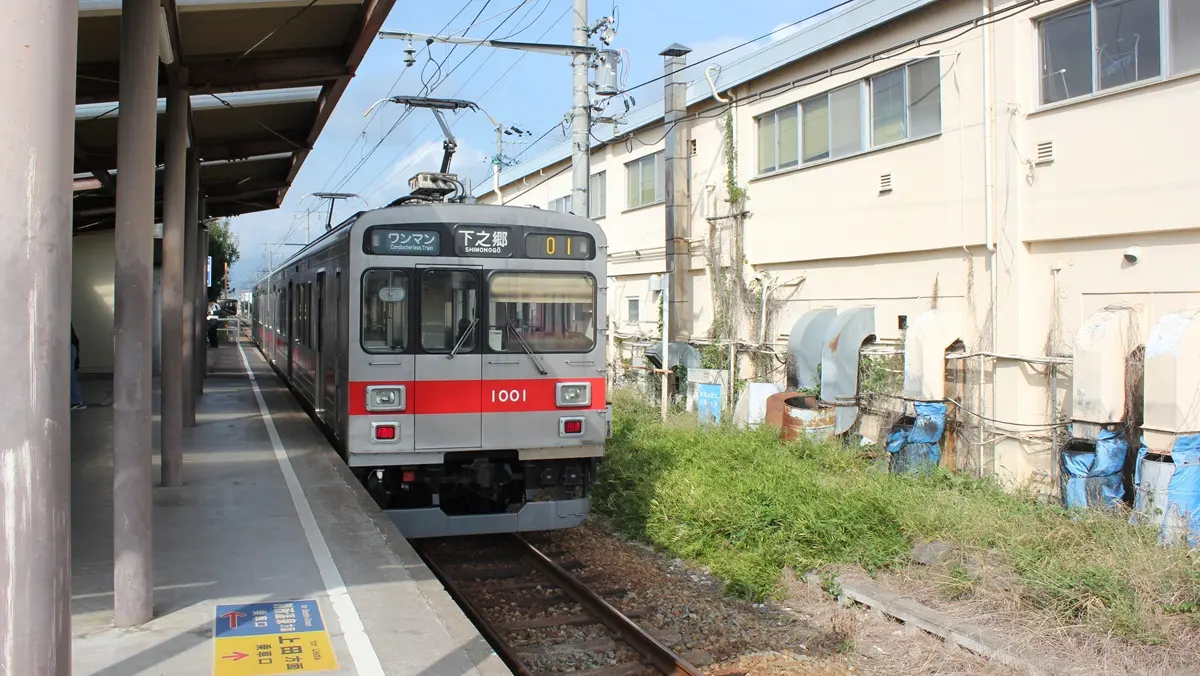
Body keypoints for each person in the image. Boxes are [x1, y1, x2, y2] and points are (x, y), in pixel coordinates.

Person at [70, 324, 85, 410]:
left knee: (71, 376)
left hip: (70, 347)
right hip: (72, 347)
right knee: (71, 375)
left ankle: (77, 401)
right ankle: (77, 401)